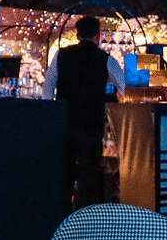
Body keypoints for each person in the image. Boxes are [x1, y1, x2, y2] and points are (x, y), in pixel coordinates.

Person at [44, 15, 125, 209]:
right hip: (92, 123)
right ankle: (83, 217)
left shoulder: (61, 55)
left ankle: (62, 215)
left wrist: (53, 114)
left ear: (77, 34)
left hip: (66, 122)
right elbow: (124, 87)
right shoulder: (106, 59)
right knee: (88, 176)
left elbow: (47, 88)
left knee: (65, 173)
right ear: (98, 35)